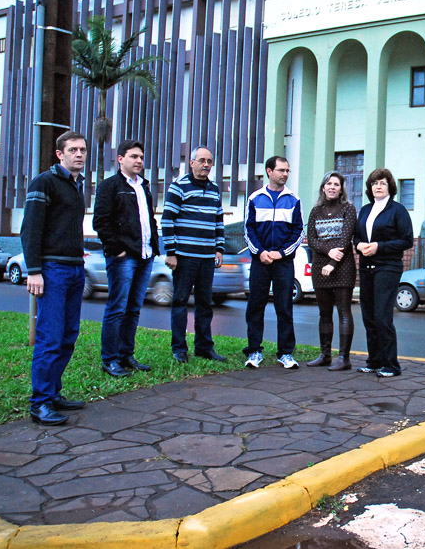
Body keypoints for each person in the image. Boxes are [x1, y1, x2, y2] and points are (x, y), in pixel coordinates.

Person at [21, 131, 89, 425]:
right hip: (52, 271)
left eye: (82, 150)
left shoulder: (77, 185)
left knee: (68, 335)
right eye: (73, 150)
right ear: (59, 154)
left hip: (75, 268)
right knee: (50, 337)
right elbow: (31, 229)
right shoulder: (44, 182)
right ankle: (40, 403)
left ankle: (53, 393)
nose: (79, 154)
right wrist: (34, 270)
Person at [92, 139, 160, 377]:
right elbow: (100, 221)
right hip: (124, 257)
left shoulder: (144, 186)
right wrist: (117, 249)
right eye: (133, 156)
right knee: (117, 308)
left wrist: (154, 246)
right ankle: (110, 359)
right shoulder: (110, 186)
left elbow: (148, 219)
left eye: (141, 157)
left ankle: (126, 355)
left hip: (145, 255)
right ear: (120, 159)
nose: (139, 161)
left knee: (133, 309)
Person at [161, 146, 227, 363]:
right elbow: (167, 220)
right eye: (201, 160)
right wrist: (171, 253)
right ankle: (179, 348)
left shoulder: (215, 189)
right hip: (184, 256)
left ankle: (204, 347)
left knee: (205, 303)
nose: (206, 165)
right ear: (191, 163)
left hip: (207, 257)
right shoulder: (178, 187)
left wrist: (219, 248)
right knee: (180, 301)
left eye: (209, 161)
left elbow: (218, 220)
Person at [242, 156, 305, 369]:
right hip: (260, 262)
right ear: (269, 171)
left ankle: (286, 353)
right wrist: (260, 252)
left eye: (287, 170)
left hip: (283, 263)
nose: (285, 174)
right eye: (281, 170)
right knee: (255, 306)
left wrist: (281, 253)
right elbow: (248, 229)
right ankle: (254, 351)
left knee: (284, 307)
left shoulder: (294, 199)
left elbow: (298, 231)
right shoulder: (255, 198)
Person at [354, 168, 413, 378]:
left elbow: (407, 240)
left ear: (390, 187)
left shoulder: (398, 210)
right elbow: (357, 236)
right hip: (366, 267)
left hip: (387, 267)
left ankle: (391, 365)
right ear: (370, 188)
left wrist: (379, 246)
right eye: (374, 183)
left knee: (381, 316)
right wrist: (359, 245)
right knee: (369, 316)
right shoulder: (365, 210)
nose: (378, 187)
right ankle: (374, 361)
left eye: (382, 183)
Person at [306, 171, 357, 370]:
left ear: (341, 189)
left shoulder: (348, 209)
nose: (332, 187)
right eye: (329, 183)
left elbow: (345, 239)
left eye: (336, 184)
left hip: (343, 267)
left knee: (344, 312)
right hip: (320, 267)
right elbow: (312, 240)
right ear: (323, 187)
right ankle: (324, 355)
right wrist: (328, 253)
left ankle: (344, 359)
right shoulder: (315, 211)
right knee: (324, 314)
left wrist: (332, 263)